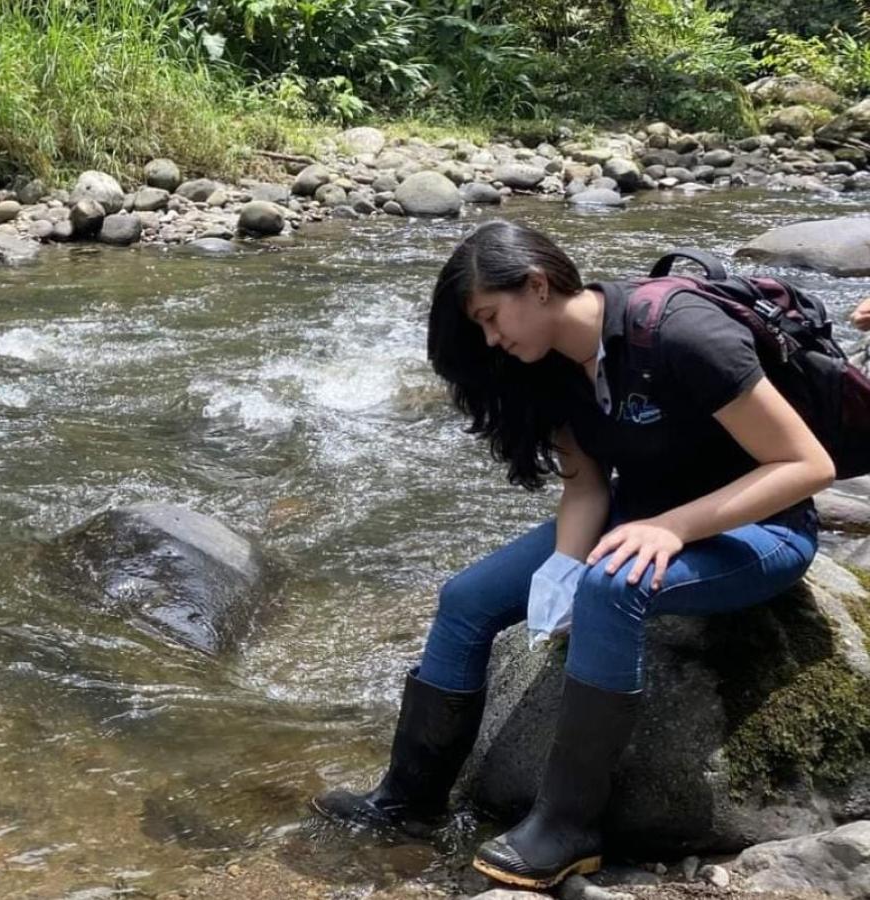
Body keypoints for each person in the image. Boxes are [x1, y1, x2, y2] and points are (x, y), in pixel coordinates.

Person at [311, 220, 835, 889]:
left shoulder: (678, 334)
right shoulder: (550, 367)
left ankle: (566, 828)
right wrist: (562, 565)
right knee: (467, 599)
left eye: (491, 318)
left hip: (764, 528)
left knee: (611, 587)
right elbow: (587, 485)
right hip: (636, 514)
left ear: (536, 284)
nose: (492, 339)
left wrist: (672, 527)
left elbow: (806, 464)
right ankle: (408, 801)